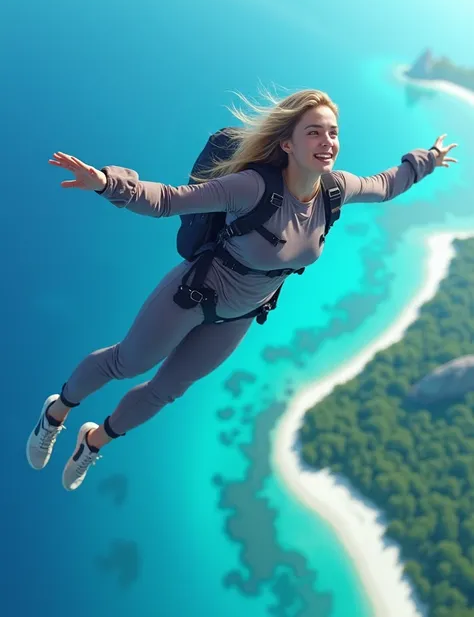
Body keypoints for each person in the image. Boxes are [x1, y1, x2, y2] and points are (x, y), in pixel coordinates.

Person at [26, 88, 458, 491]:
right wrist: (106, 182)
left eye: (333, 132)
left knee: (166, 391)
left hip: (239, 316)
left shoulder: (333, 191)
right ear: (287, 143)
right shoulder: (252, 188)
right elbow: (171, 199)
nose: (327, 140)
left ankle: (94, 442)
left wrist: (428, 159)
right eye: (314, 132)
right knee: (127, 363)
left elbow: (385, 186)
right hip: (191, 295)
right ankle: (56, 413)